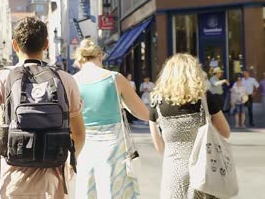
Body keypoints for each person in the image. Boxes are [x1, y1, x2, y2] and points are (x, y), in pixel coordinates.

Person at [0, 17, 86, 198]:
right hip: (53, 181)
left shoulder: (0, 79)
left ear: (14, 45)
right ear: (46, 45)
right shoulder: (65, 79)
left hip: (13, 181)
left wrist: (16, 136)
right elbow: (79, 134)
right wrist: (67, 163)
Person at [72, 39, 149, 198]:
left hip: (84, 145)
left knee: (88, 190)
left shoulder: (73, 82)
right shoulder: (114, 78)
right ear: (100, 56)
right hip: (113, 145)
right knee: (112, 190)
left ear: (79, 61)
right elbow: (142, 112)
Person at [149, 53, 230, 199]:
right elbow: (225, 132)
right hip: (203, 172)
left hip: (173, 173)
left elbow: (159, 147)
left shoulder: (156, 103)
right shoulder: (204, 98)